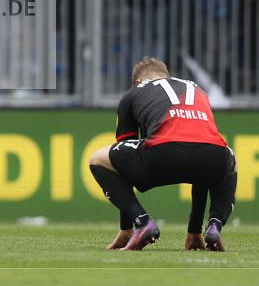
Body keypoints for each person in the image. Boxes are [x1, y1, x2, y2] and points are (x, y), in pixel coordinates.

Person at [88, 57, 237, 251]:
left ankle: (143, 223)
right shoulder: (196, 89)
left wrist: (127, 227)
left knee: (98, 159)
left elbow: (122, 166)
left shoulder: (133, 93)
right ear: (166, 76)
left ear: (136, 81)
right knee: (230, 160)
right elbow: (198, 159)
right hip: (213, 157)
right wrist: (194, 229)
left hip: (163, 154)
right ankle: (214, 226)